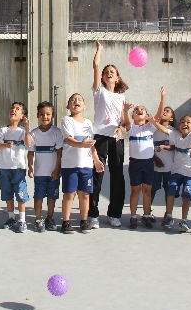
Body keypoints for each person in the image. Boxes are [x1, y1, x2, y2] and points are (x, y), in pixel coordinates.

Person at [90, 41, 128, 228]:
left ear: (118, 78)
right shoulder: (99, 91)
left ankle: (115, 213)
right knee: (97, 174)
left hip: (116, 139)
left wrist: (121, 128)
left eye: (112, 71)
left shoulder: (121, 97)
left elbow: (123, 121)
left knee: (117, 176)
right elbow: (96, 65)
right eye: (107, 71)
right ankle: (93, 214)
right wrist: (100, 50)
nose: (109, 72)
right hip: (100, 137)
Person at [122, 87, 166, 229]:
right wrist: (125, 110)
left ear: (147, 115)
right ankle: (133, 216)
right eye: (136, 110)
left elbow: (158, 116)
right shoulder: (132, 128)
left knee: (147, 190)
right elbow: (126, 120)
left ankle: (146, 215)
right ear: (134, 115)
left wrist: (162, 98)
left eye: (142, 109)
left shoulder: (150, 127)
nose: (139, 110)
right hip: (135, 163)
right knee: (135, 190)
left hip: (147, 163)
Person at [60, 93, 104, 233]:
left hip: (86, 166)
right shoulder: (66, 120)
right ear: (68, 106)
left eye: (79, 100)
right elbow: (68, 139)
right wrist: (81, 144)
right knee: (69, 194)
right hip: (70, 165)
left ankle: (84, 221)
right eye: (73, 100)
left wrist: (96, 160)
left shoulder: (88, 123)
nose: (76, 101)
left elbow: (91, 145)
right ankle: (66, 222)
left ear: (84, 106)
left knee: (85, 194)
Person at [0, 102, 32, 233]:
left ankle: (22, 220)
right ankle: (11, 218)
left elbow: (28, 144)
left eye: (17, 109)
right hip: (5, 168)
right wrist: (5, 145)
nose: (13, 110)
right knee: (7, 194)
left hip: (18, 168)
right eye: (12, 108)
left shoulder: (22, 131)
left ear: (23, 116)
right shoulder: (3, 130)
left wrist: (27, 128)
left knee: (21, 194)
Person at [27, 101, 63, 233]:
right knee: (38, 196)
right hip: (39, 174)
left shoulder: (57, 132)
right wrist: (30, 167)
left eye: (48, 114)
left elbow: (60, 153)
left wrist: (57, 170)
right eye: (42, 114)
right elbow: (30, 152)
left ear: (52, 116)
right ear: (37, 115)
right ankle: (37, 219)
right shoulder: (34, 133)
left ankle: (49, 218)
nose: (45, 117)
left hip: (53, 174)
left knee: (52, 198)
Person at [162, 115, 191, 232]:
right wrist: (153, 121)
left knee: (186, 195)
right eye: (182, 121)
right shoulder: (175, 135)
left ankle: (184, 220)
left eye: (188, 122)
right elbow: (163, 129)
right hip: (177, 171)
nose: (184, 123)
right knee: (171, 190)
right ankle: (169, 216)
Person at [151, 106, 176, 223]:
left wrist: (165, 147)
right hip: (155, 167)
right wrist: (155, 158)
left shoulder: (173, 131)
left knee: (168, 190)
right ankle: (148, 211)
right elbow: (148, 146)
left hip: (169, 168)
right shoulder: (153, 130)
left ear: (171, 119)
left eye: (168, 111)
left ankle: (168, 213)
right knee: (152, 189)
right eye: (163, 110)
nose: (164, 112)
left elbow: (174, 146)